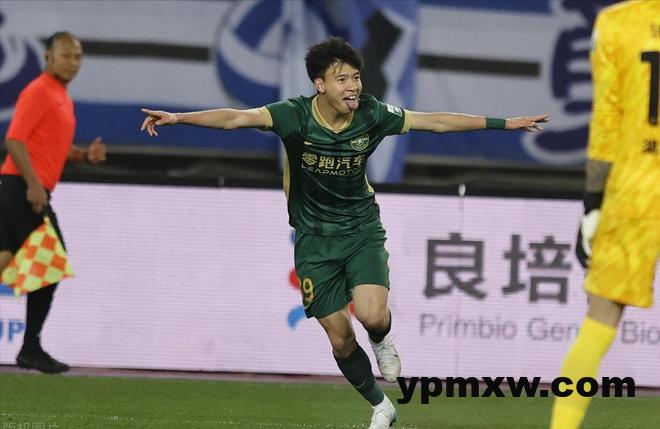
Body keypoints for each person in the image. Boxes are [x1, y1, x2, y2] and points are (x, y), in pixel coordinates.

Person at [141, 37, 547, 429]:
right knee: (339, 339)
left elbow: (435, 122)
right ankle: (381, 406)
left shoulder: (373, 114)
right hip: (314, 239)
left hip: (360, 230)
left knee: (371, 314)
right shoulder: (293, 116)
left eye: (356, 77)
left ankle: (382, 338)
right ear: (320, 85)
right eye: (342, 79)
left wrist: (504, 124)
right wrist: (178, 118)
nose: (353, 86)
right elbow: (234, 118)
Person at [550, 1, 659, 428]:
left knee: (597, 325)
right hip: (634, 189)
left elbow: (607, 120)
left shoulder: (616, 23)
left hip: (634, 189)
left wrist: (593, 201)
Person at [0, 32, 106, 374]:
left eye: (78, 56)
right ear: (48, 57)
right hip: (22, 189)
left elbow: (51, 148)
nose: (73, 62)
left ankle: (31, 348)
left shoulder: (61, 97)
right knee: (50, 266)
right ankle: (30, 349)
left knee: (5, 260)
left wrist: (84, 156)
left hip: (20, 187)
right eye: (66, 55)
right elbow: (14, 141)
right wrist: (33, 185)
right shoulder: (39, 91)